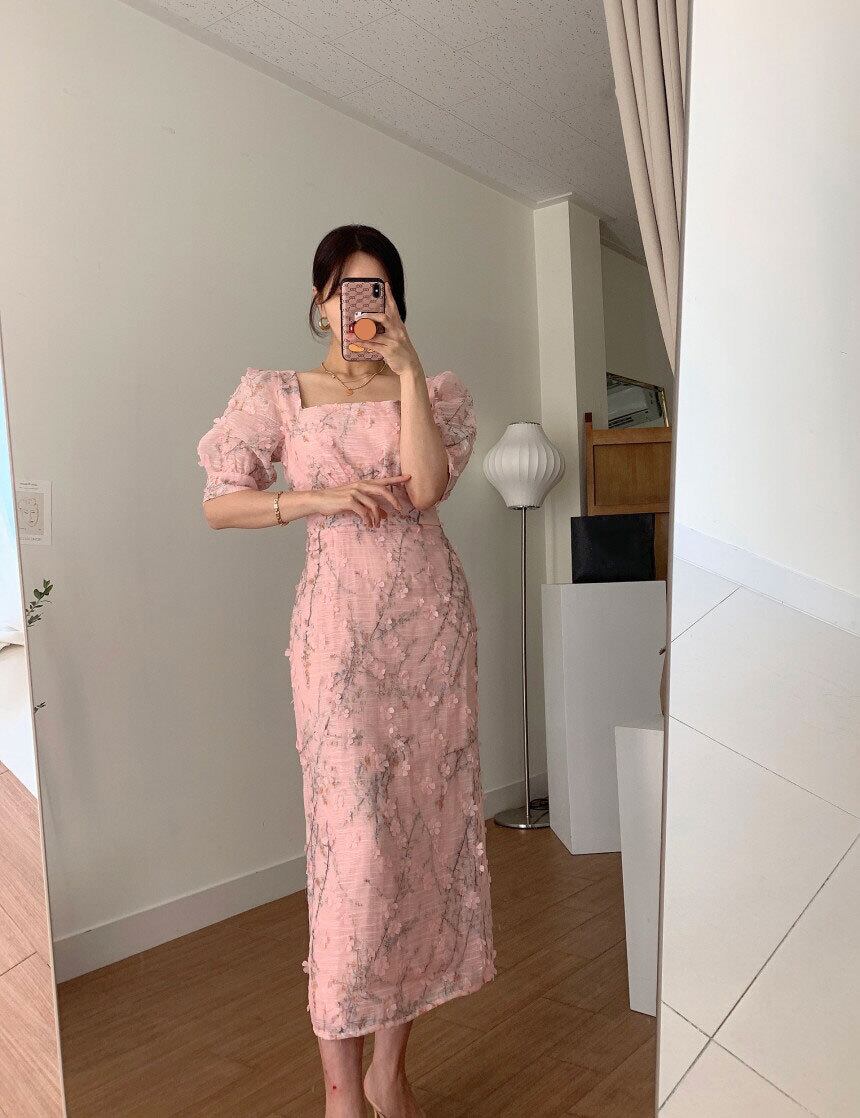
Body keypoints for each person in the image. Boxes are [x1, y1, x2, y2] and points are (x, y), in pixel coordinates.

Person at [197, 225, 496, 1118]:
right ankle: (341, 1092)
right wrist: (318, 498)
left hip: (428, 631)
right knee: (354, 850)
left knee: (415, 844)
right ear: (319, 303)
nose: (358, 310)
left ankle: (388, 1072)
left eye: (378, 294)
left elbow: (427, 489)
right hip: (338, 638)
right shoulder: (278, 396)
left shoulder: (432, 392)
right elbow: (220, 505)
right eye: (343, 293)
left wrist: (408, 371)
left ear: (393, 304)